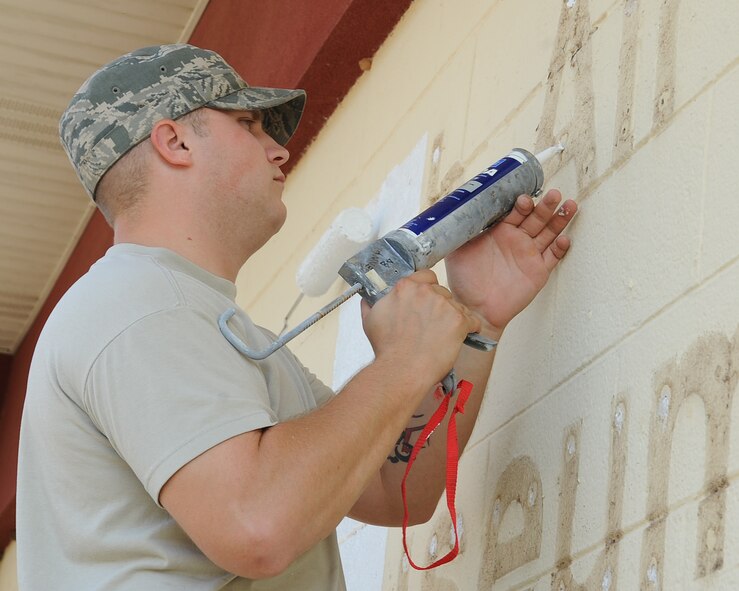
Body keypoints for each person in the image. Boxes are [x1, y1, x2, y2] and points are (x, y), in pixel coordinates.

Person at [16, 43, 577, 590]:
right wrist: (404, 361)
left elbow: (396, 489)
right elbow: (256, 527)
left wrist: (475, 321)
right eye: (248, 125)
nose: (279, 150)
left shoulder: (205, 324)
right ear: (175, 141)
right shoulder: (137, 305)